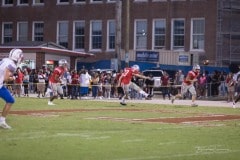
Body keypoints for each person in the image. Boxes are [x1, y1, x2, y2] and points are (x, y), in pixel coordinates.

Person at [0, 48, 24, 129]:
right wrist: (13, 78)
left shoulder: (5, 60)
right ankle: (2, 121)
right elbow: (6, 78)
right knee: (10, 100)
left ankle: (2, 121)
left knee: (10, 100)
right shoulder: (12, 65)